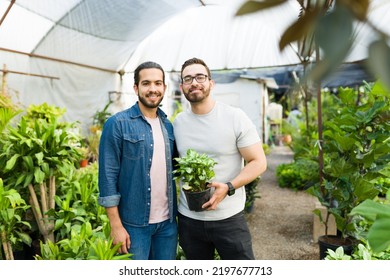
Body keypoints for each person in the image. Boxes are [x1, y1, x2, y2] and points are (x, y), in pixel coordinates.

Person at [173, 57, 267, 260]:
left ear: (211, 83)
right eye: (188, 79)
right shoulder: (178, 123)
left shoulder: (234, 117)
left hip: (229, 219)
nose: (194, 83)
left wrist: (229, 186)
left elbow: (258, 162)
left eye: (200, 77)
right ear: (182, 87)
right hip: (189, 220)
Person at [98, 61, 178, 260]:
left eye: (158, 83)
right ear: (136, 88)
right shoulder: (117, 124)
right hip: (133, 225)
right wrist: (116, 226)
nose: (153, 89)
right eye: (146, 83)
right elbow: (108, 177)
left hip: (167, 225)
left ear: (164, 88)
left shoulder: (168, 126)